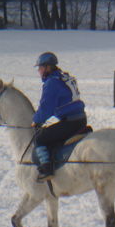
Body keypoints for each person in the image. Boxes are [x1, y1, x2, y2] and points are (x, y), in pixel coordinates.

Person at [32, 52, 87, 181]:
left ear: (47, 67)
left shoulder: (52, 83)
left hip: (69, 122)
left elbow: (46, 108)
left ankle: (47, 169)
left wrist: (35, 121)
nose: (39, 71)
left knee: (40, 139)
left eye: (40, 67)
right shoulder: (65, 77)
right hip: (80, 119)